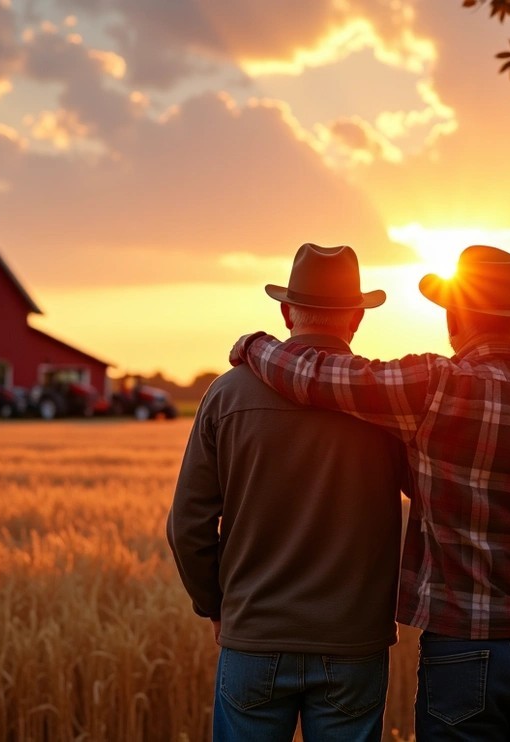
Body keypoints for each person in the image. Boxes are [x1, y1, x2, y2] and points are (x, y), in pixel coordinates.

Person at [230, 245, 510, 740]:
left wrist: (253, 344)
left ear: (452, 316)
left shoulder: (435, 387)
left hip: (462, 650)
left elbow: (316, 376)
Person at [167, 243, 409, 741]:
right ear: (357, 318)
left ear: (285, 313)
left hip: (254, 634)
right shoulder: (382, 402)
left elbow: (187, 526)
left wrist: (216, 606)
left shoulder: (227, 393)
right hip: (353, 640)